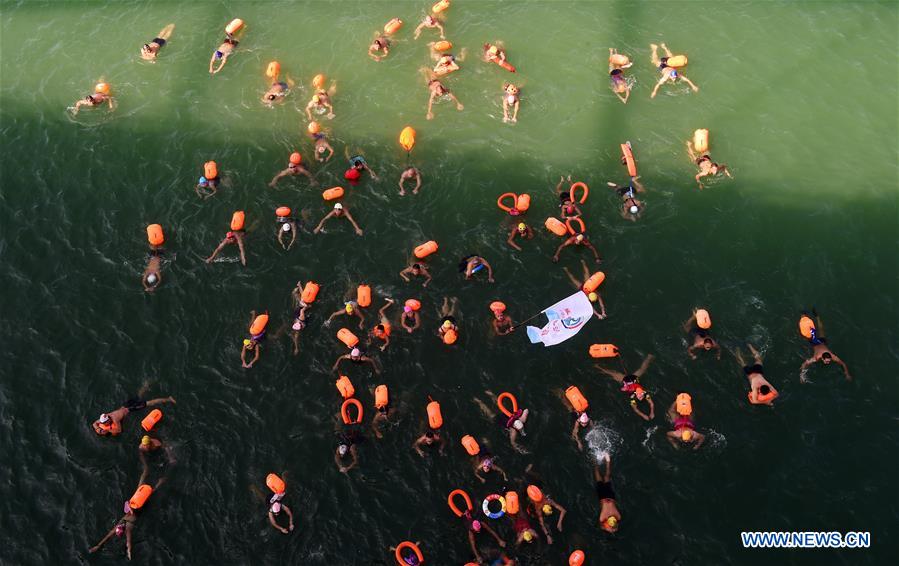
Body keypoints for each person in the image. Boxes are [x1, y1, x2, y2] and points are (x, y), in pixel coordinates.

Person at [89, 468, 165, 560]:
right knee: (141, 486)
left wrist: (129, 553)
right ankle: (147, 471)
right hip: (133, 505)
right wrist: (98, 545)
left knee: (151, 492)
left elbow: (128, 542)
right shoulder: (122, 522)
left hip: (138, 509)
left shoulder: (128, 528)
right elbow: (110, 536)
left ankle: (159, 481)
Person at [595, 354, 656, 421]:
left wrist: (652, 412)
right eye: (640, 396)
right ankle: (598, 367)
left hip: (633, 381)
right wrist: (643, 415)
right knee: (611, 374)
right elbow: (636, 409)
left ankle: (650, 357)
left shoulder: (645, 394)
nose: (640, 397)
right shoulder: (632, 398)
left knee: (642, 369)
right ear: (636, 394)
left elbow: (651, 403)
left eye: (641, 395)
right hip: (628, 380)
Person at [799, 311, 851, 382]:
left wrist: (847, 374)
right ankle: (803, 315)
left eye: (828, 361)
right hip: (815, 343)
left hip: (822, 342)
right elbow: (804, 364)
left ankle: (817, 317)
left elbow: (843, 364)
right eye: (827, 361)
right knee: (809, 335)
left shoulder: (833, 356)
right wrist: (802, 376)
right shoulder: (816, 358)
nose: (828, 362)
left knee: (821, 329)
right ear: (822, 358)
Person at [92, 392, 175, 436]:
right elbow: (94, 423)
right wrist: (98, 429)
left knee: (149, 403)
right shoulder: (105, 417)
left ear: (108, 420)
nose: (104, 424)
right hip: (125, 405)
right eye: (103, 423)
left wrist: (107, 430)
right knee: (138, 396)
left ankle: (169, 399)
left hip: (131, 408)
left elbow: (119, 430)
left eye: (105, 423)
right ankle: (146, 384)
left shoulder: (115, 419)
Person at [593, 455, 621, 533]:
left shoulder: (617, 517)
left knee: (605, 478)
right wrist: (608, 528)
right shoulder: (603, 518)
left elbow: (614, 527)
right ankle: (597, 462)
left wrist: (611, 528)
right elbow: (603, 527)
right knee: (600, 479)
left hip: (609, 497)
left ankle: (605, 462)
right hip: (604, 497)